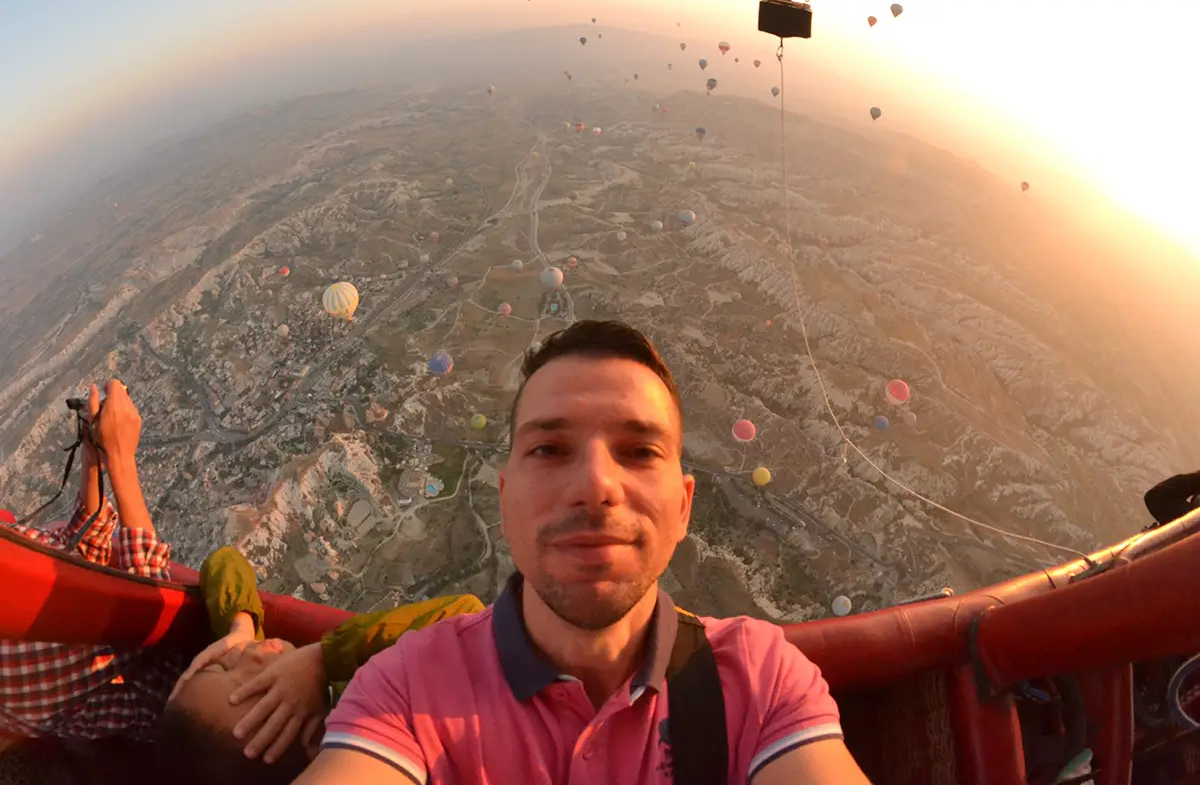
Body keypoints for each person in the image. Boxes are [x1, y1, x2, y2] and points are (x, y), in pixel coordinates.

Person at [298, 320, 869, 784]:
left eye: (640, 450)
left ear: (684, 509)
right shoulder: (405, 691)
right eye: (549, 449)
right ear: (504, 500)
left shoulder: (760, 680)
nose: (596, 484)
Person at [156, 546, 484, 783]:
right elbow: (466, 614)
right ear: (313, 741)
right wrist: (322, 660)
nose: (247, 655)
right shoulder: (371, 708)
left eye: (221, 667)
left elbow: (224, 560)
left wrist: (240, 627)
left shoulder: (253, 658)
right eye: (256, 688)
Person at [0, 379, 180, 744]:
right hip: (177, 701)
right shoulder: (8, 654)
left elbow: (75, 557)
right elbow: (151, 626)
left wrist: (93, 457)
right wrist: (121, 461)